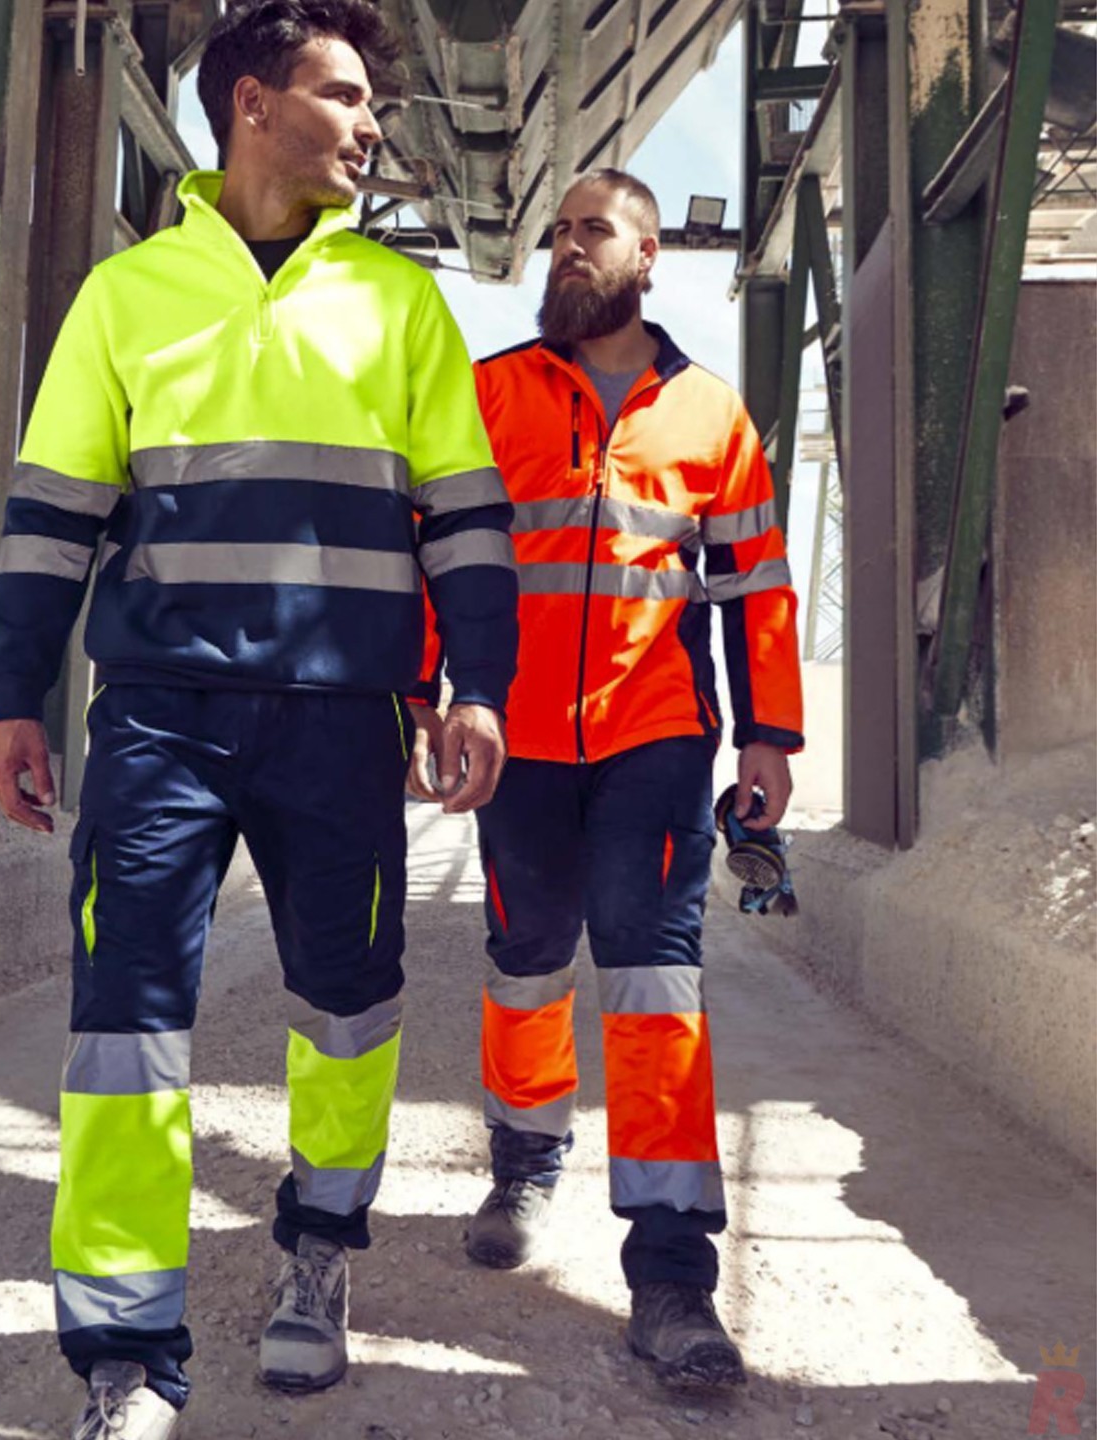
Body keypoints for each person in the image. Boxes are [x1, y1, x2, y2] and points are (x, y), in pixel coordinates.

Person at [0, 3, 518, 1434]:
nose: (371, 125)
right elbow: (52, 513)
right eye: (343, 95)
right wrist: (13, 693)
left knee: (350, 1002)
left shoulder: (402, 304)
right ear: (254, 106)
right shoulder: (128, 295)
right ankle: (123, 1356)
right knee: (124, 1020)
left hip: (342, 716)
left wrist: (477, 684)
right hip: (159, 713)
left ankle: (321, 1250)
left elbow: (465, 518)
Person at [408, 169, 804, 1389]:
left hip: (656, 738)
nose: (569, 248)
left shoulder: (712, 416)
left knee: (653, 980)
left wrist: (770, 736)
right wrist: (421, 695)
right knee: (526, 962)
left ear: (647, 257)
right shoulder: (489, 395)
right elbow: (438, 556)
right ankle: (525, 1165)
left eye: (595, 230)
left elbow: (755, 587)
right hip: (515, 740)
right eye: (559, 232)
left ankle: (673, 1272)